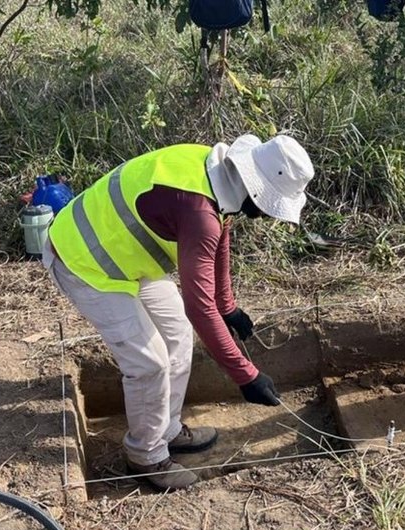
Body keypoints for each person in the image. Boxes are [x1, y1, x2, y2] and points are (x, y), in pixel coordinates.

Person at [44, 134, 315, 489]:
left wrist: (228, 307)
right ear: (255, 188)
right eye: (270, 206)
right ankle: (146, 456)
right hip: (84, 259)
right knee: (149, 363)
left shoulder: (216, 174)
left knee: (177, 333)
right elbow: (199, 307)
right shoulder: (199, 209)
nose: (267, 216)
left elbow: (220, 241)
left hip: (126, 255)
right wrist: (246, 376)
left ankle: (166, 428)